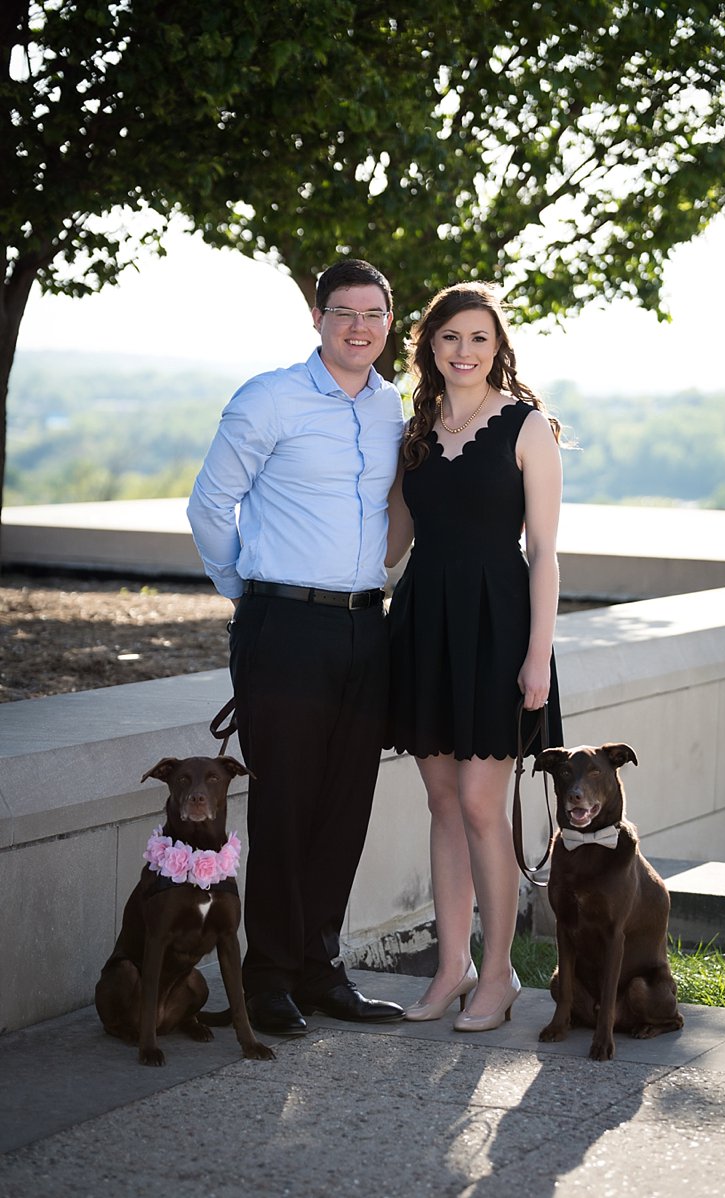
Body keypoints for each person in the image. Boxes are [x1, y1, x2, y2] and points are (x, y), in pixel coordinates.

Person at [187, 258, 406, 1035]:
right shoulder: (269, 398)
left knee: (346, 807)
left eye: (374, 314)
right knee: (282, 803)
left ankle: (321, 969)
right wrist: (245, 591)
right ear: (317, 319)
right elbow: (211, 504)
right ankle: (270, 976)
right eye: (344, 313)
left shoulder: (394, 408)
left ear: (390, 321)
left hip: (363, 626)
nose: (359, 327)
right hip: (282, 625)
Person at [385, 282, 564, 1031]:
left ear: (499, 348)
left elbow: (546, 555)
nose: (464, 351)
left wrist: (538, 658)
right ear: (429, 344)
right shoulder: (413, 432)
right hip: (424, 623)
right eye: (450, 337)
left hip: (499, 626)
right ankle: (452, 966)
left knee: (486, 806)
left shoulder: (527, 427)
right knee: (443, 803)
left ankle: (500, 975)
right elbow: (392, 547)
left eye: (479, 338)